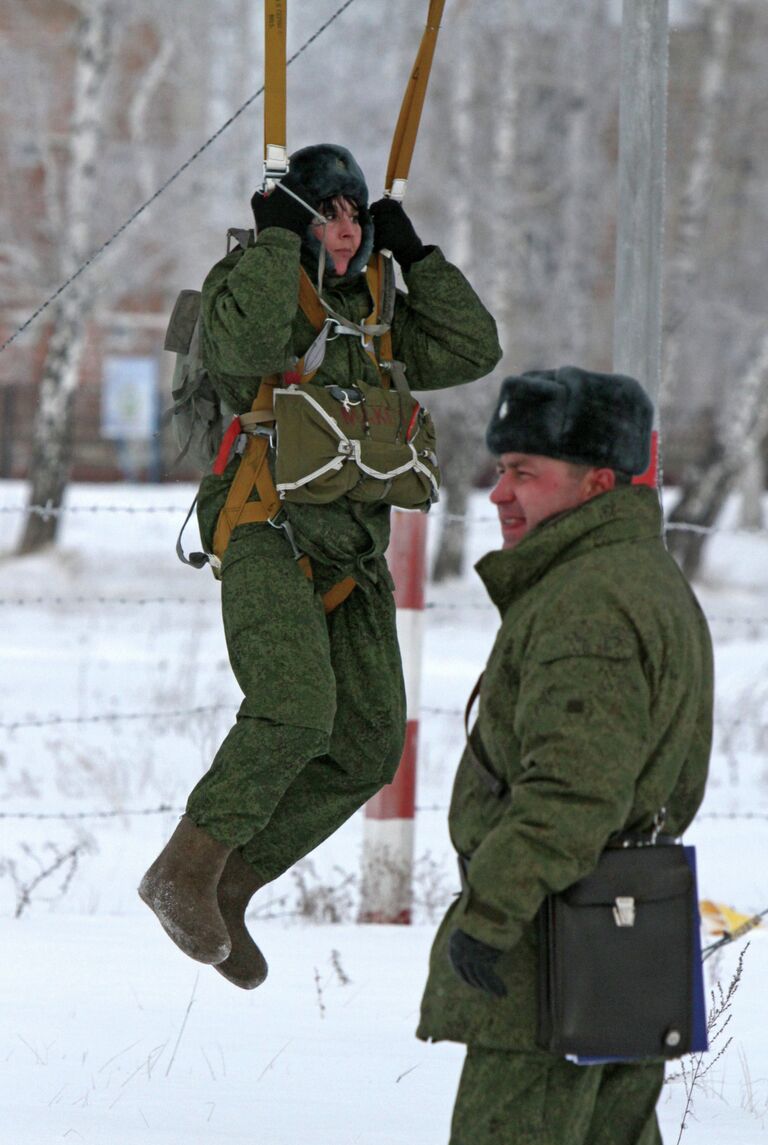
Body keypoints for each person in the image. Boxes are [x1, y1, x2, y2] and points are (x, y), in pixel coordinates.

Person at [139, 143, 502, 986]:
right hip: (266, 526)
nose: (343, 228)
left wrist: (416, 256)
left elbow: (474, 347)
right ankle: (181, 869)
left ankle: (233, 881)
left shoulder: (379, 308)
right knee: (296, 709)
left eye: (354, 212)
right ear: (297, 217)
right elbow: (248, 345)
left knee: (371, 740)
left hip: (353, 547)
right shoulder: (254, 284)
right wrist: (276, 245)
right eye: (325, 212)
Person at [417, 367, 714, 1145]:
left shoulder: (589, 601)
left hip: (555, 956)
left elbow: (572, 794)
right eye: (501, 469)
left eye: (525, 472)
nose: (499, 494)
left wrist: (489, 915)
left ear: (596, 483)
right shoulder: (627, 576)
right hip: (620, 943)